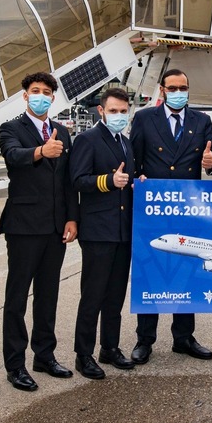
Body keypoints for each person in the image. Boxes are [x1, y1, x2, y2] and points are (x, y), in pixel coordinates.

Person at [128, 69, 212, 364]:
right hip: (154, 211)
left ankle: (183, 337)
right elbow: (132, 157)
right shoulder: (145, 118)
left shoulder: (202, 121)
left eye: (184, 87)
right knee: (150, 271)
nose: (179, 92)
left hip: (187, 211)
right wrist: (137, 177)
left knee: (186, 273)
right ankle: (145, 339)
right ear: (162, 89)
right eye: (173, 87)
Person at [0, 72, 79, 391]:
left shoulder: (61, 131)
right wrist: (40, 152)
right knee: (17, 297)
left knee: (48, 294)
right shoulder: (11, 128)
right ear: (25, 96)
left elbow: (68, 180)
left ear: (54, 98)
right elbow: (13, 157)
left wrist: (73, 218)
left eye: (47, 92)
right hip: (24, 225)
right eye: (35, 91)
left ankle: (44, 354)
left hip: (56, 226)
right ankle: (15, 364)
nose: (41, 96)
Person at [70, 87, 139, 380]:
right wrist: (109, 180)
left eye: (124, 111)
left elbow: (127, 180)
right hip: (98, 230)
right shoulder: (87, 140)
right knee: (93, 295)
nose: (119, 116)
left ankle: (109, 347)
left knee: (114, 296)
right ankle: (83, 354)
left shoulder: (126, 143)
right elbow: (78, 179)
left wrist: (137, 183)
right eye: (114, 111)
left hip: (122, 231)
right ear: (101, 111)